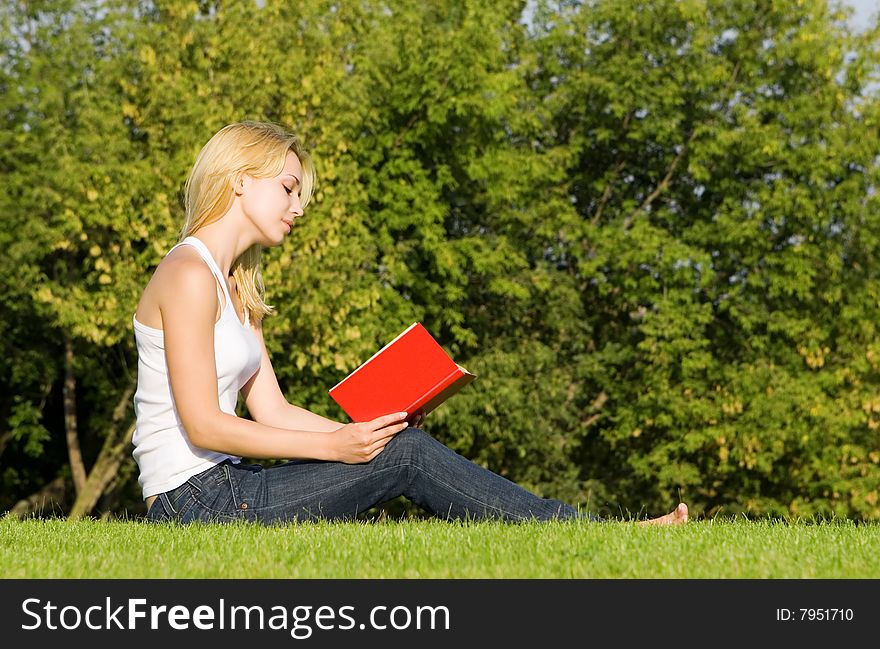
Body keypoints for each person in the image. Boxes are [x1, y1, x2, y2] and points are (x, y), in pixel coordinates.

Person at [132, 120, 688, 526]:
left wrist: (367, 437)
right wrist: (339, 448)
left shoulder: (237, 285)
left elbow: (273, 410)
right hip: (194, 503)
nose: (299, 207)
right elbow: (204, 426)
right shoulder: (188, 274)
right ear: (239, 180)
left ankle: (585, 530)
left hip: (229, 487)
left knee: (402, 446)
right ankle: (594, 533)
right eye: (288, 188)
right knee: (408, 457)